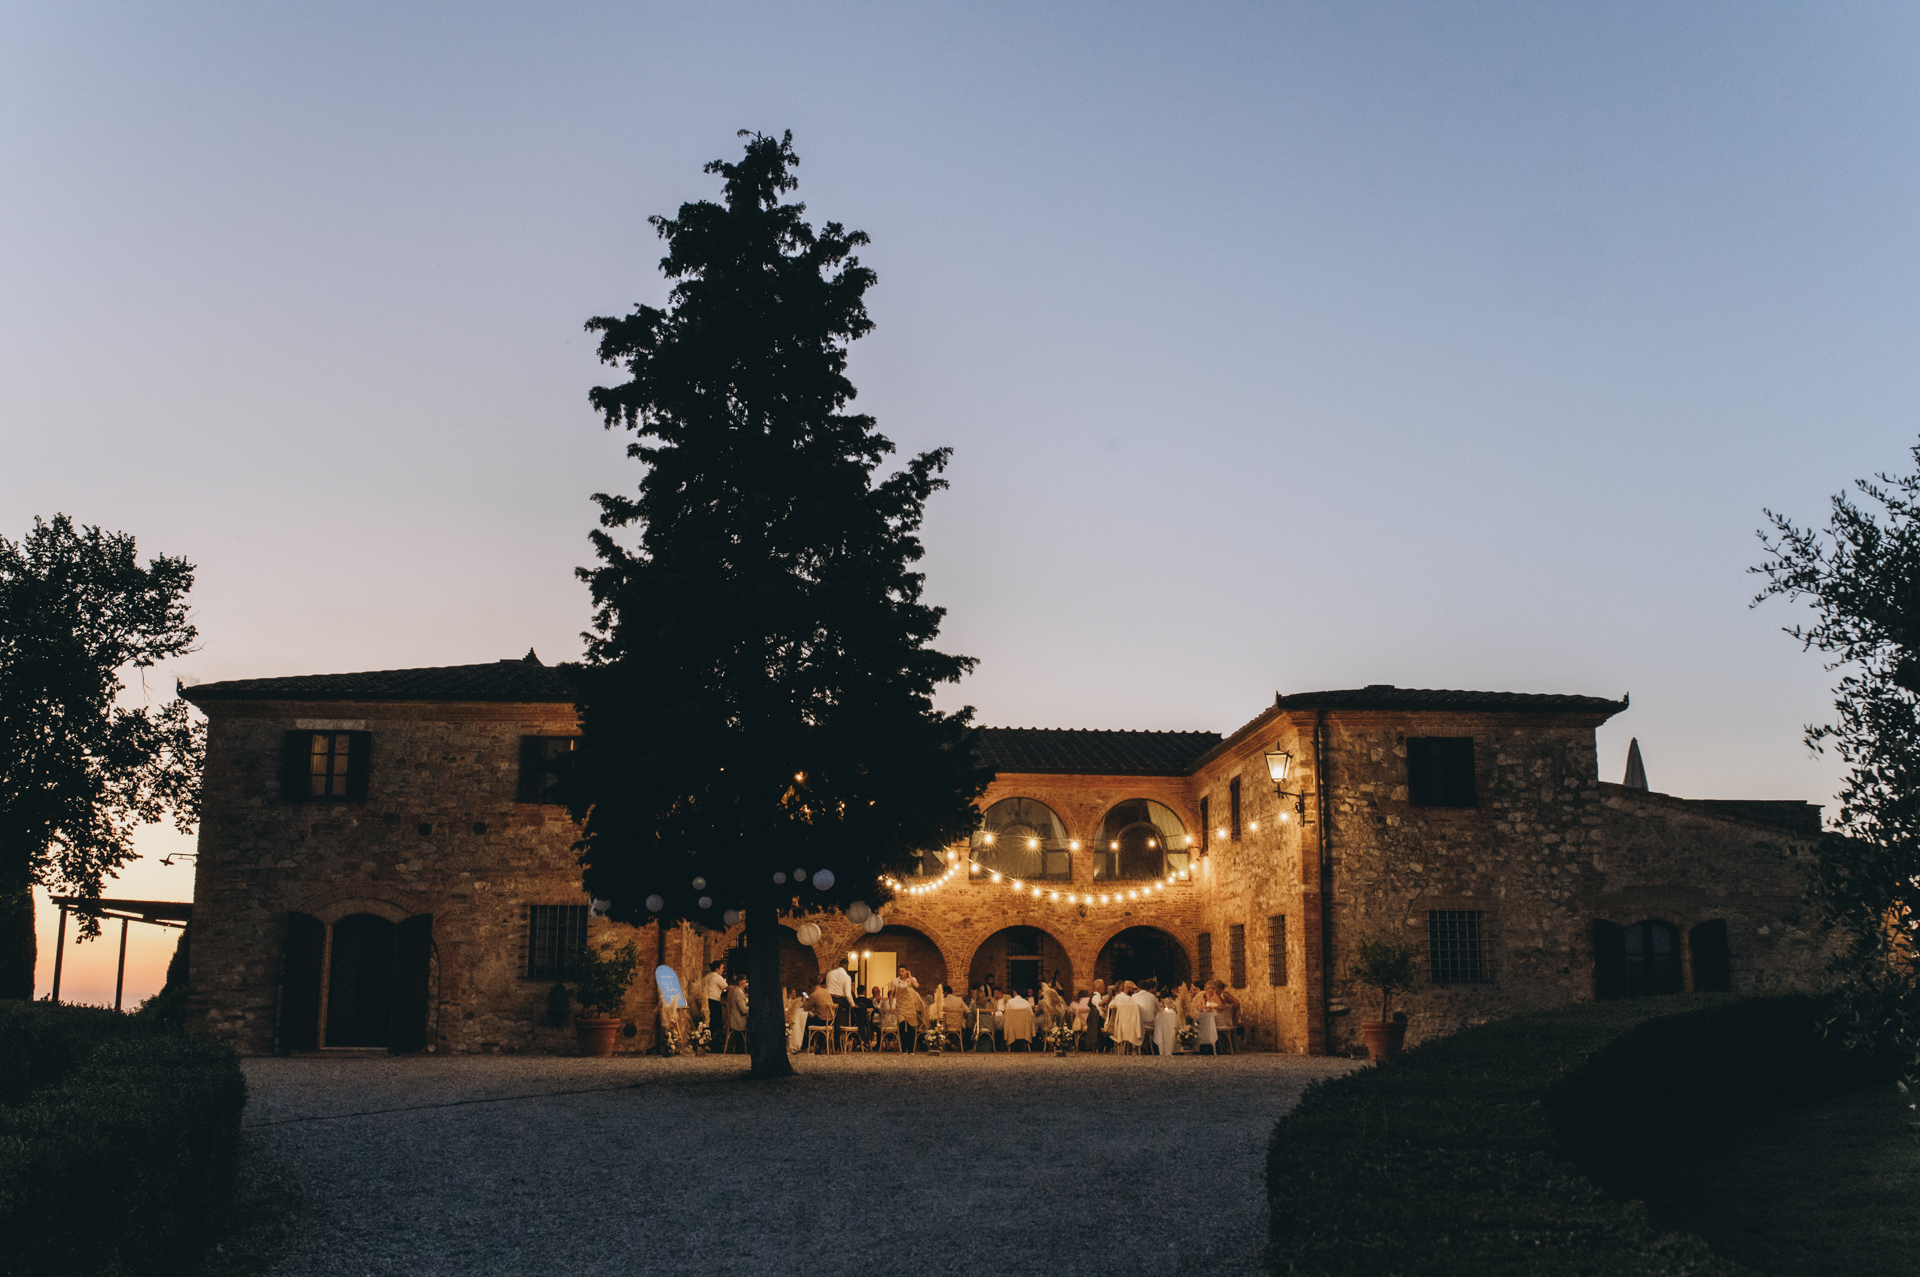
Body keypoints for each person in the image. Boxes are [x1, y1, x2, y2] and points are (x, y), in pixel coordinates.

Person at [891, 972, 926, 1053]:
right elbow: (892, 994)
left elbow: (916, 985)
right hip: (900, 1006)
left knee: (911, 1027)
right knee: (902, 1026)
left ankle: (910, 1049)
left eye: (903, 971)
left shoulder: (911, 980)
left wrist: (910, 976)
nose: (901, 973)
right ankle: (903, 1048)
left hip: (910, 1007)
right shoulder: (895, 981)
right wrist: (892, 1006)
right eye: (900, 971)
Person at [1109, 981, 1143, 1054]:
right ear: (1128, 988)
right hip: (1131, 1027)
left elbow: (1110, 1005)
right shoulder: (1131, 999)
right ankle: (1136, 1048)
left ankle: (1120, 1048)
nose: (1133, 991)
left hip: (1120, 1026)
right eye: (1132, 989)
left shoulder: (1118, 997)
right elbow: (1138, 1009)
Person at [701, 961, 728, 1040]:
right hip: (714, 1001)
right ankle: (716, 1042)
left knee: (707, 1022)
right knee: (716, 1023)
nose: (723, 970)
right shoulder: (717, 977)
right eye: (722, 968)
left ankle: (707, 1039)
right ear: (717, 969)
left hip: (705, 1002)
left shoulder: (706, 977)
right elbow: (726, 988)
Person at [724, 976, 750, 1052]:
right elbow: (743, 1011)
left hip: (732, 1019)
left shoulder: (732, 990)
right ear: (743, 983)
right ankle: (748, 1049)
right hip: (738, 1021)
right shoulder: (739, 993)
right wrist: (752, 1008)